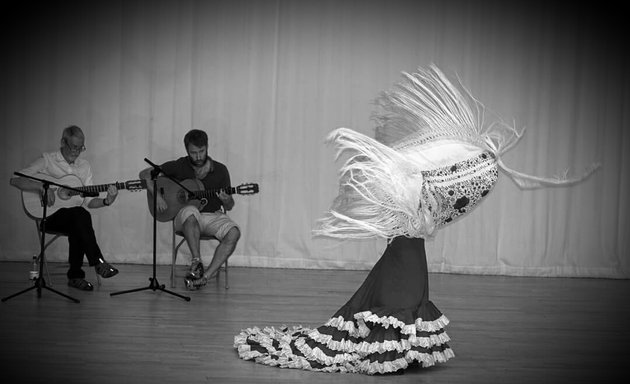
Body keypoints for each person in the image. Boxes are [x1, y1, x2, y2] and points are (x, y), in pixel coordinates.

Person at [234, 65, 599, 374]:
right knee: (401, 288)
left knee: (403, 284)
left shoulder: (416, 198)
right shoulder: (410, 197)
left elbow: (440, 195)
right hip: (406, 238)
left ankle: (400, 345)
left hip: (409, 238)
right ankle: (391, 348)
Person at [10, 125, 120, 291]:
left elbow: (90, 202)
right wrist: (41, 188)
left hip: (75, 219)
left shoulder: (85, 166)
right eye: (73, 147)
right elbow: (15, 179)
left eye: (80, 147)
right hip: (49, 217)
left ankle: (76, 276)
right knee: (80, 216)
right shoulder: (47, 160)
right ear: (63, 142)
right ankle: (97, 262)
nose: (77, 151)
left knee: (79, 217)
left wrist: (107, 201)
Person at [139, 129, 241, 290]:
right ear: (187, 151)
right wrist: (157, 195)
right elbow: (145, 173)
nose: (198, 156)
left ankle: (204, 277)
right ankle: (196, 262)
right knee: (191, 211)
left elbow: (229, 206)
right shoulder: (179, 166)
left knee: (234, 232)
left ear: (207, 147)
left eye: (202, 151)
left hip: (212, 215)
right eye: (194, 153)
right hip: (185, 218)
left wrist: (227, 200)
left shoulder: (221, 170)